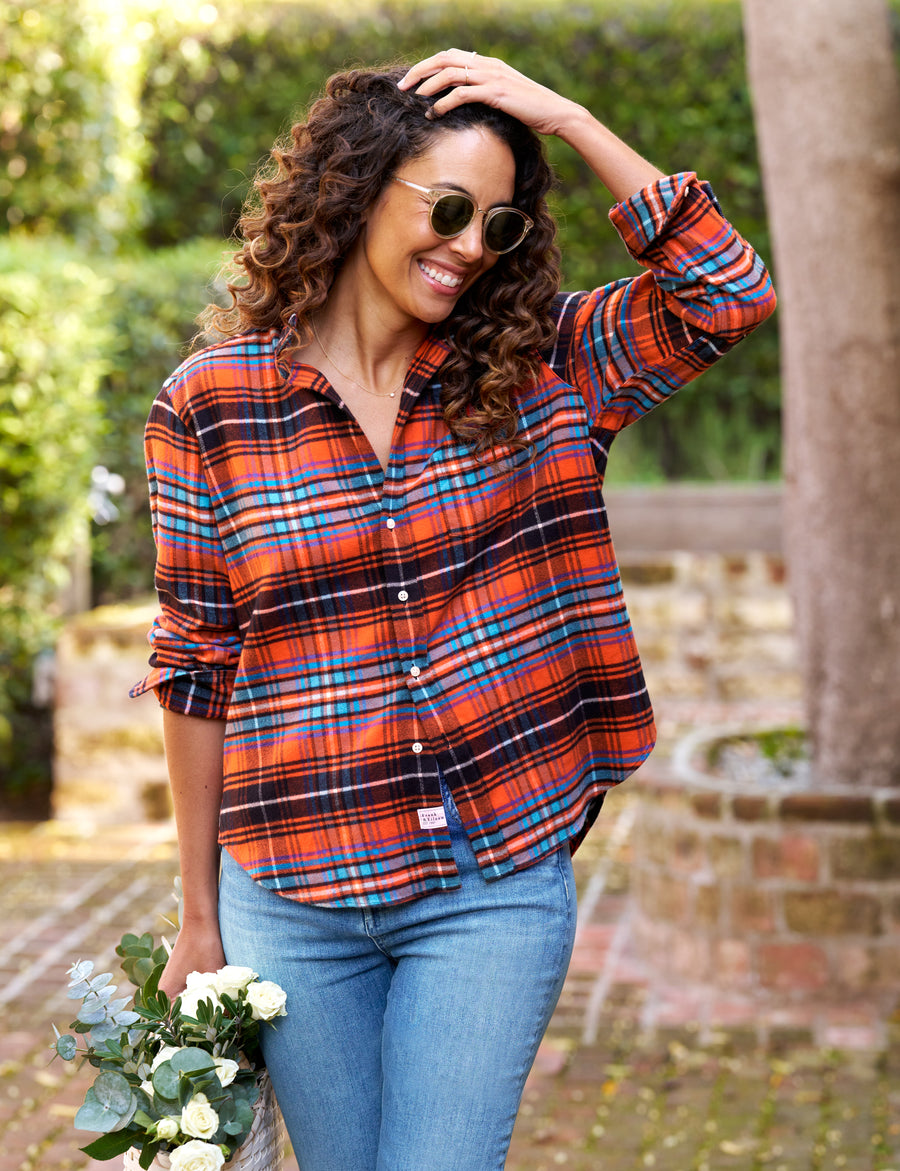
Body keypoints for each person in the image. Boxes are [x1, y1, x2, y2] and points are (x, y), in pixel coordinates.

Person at [132, 49, 775, 1171]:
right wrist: (199, 914)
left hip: (491, 883)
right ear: (352, 192)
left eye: (501, 225)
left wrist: (568, 117)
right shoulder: (209, 406)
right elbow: (197, 663)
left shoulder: (548, 368)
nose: (471, 246)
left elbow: (727, 292)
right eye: (446, 208)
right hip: (292, 890)